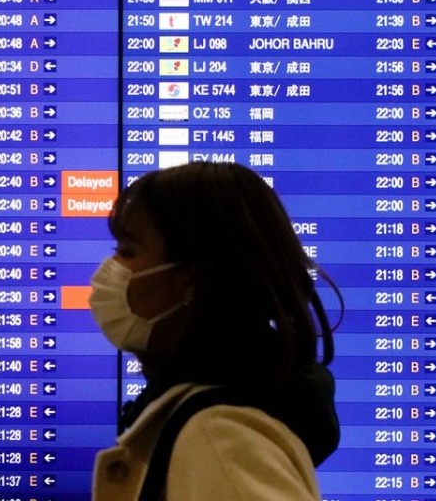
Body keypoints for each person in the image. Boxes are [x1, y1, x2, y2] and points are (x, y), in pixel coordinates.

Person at [89, 161, 341, 501]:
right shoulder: (218, 417)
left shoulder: (218, 439)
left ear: (192, 280)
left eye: (127, 251)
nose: (109, 270)